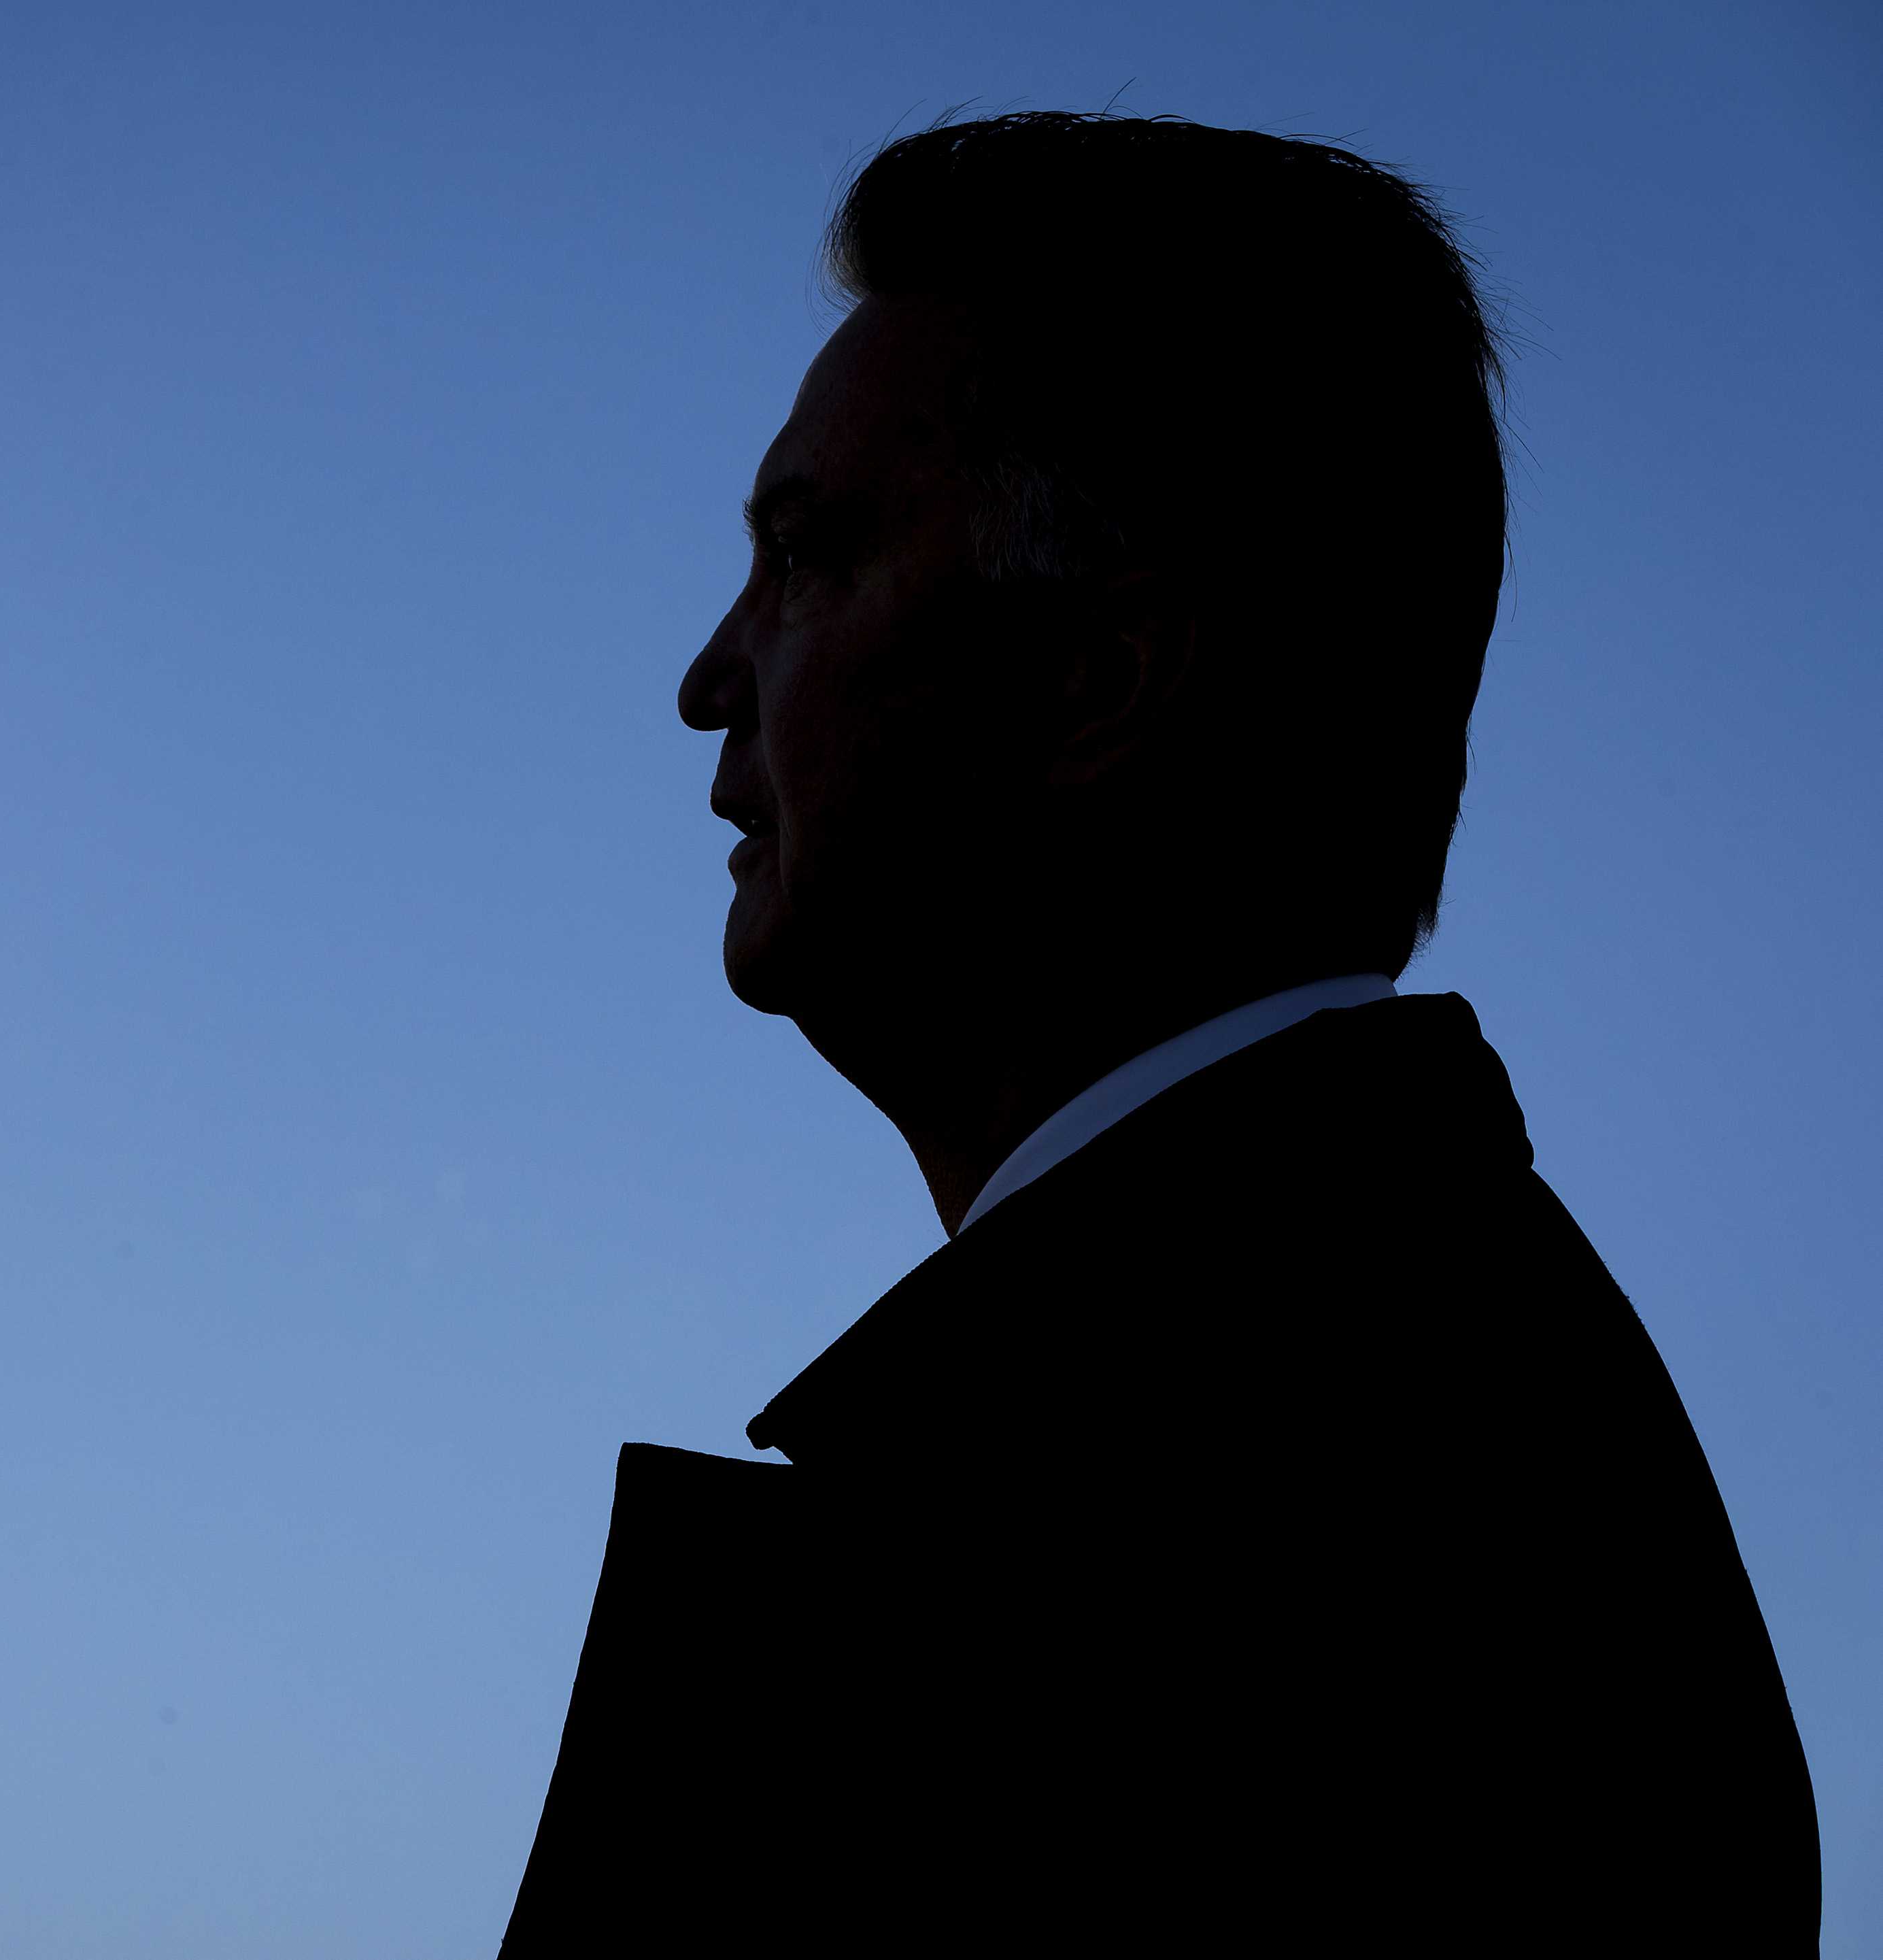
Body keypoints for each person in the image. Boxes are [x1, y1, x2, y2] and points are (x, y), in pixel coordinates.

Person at [498, 112, 1818, 1951]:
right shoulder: (1375, 1389)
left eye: (803, 557)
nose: (710, 676)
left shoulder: (1260, 1494)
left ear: (1097, 680)